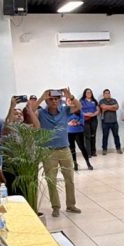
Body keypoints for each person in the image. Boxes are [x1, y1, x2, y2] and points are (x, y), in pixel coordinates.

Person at [30, 89, 82, 217]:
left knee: (69, 179)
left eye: (57, 99)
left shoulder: (64, 111)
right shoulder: (41, 113)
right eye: (51, 99)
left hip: (64, 149)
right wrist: (42, 97)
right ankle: (56, 207)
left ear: (60, 100)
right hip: (48, 152)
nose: (54, 101)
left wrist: (70, 96)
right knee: (51, 180)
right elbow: (30, 110)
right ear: (47, 101)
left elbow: (78, 106)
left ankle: (71, 205)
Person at [66, 100, 93, 171]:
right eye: (69, 102)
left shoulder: (79, 111)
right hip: (70, 132)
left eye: (72, 102)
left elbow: (82, 120)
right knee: (72, 149)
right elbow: (65, 120)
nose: (71, 103)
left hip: (79, 131)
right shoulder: (67, 112)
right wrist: (70, 122)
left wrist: (77, 122)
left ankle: (88, 163)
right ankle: (75, 164)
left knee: (82, 147)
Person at [98, 88, 122, 154]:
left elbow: (116, 107)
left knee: (116, 135)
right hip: (105, 122)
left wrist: (107, 107)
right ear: (103, 95)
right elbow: (103, 107)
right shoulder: (101, 101)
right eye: (106, 93)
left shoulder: (114, 100)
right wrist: (112, 107)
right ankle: (104, 150)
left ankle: (118, 148)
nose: (108, 94)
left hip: (114, 122)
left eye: (108, 93)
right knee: (105, 136)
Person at [80, 88, 100, 157]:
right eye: (87, 92)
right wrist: (86, 114)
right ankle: (88, 153)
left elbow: (98, 110)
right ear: (84, 93)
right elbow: (79, 110)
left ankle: (93, 152)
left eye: (90, 92)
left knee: (93, 135)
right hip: (85, 120)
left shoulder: (94, 101)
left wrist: (94, 114)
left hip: (94, 119)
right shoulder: (81, 101)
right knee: (87, 136)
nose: (89, 93)